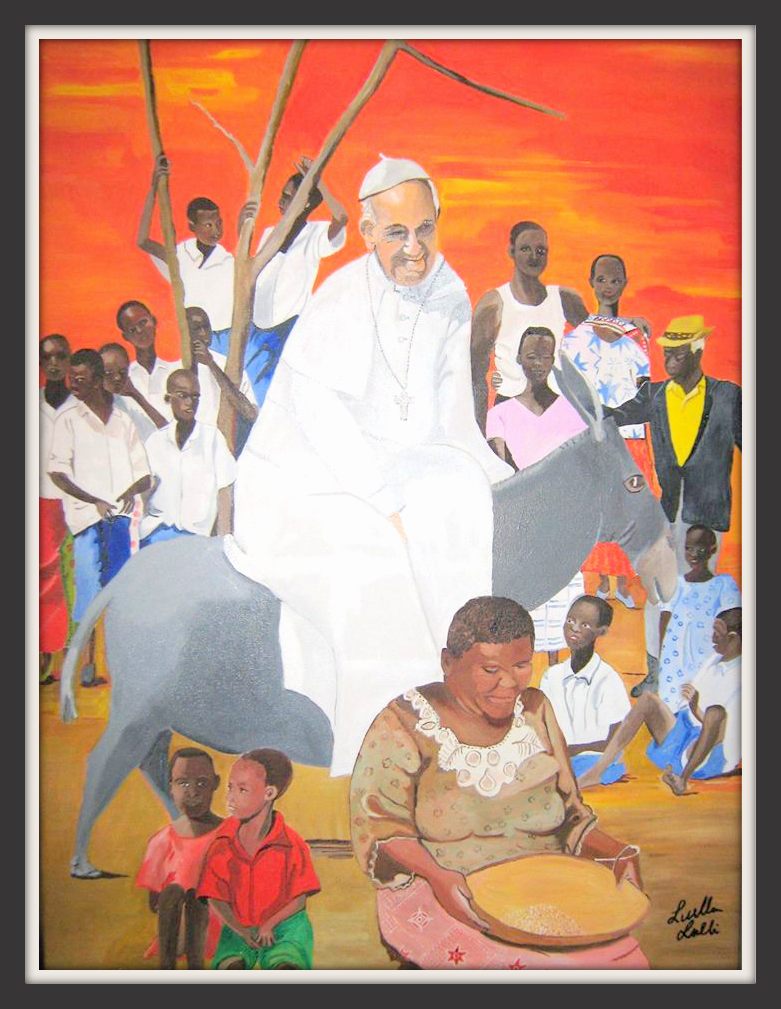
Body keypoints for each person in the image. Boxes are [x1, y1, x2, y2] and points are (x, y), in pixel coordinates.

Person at [223, 156, 513, 776]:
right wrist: (386, 503)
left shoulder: (450, 292)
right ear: (367, 232)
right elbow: (320, 419)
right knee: (379, 558)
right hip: (297, 483)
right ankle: (378, 755)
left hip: (388, 469)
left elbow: (452, 421)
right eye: (397, 233)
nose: (415, 248)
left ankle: (458, 723)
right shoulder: (342, 297)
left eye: (425, 229)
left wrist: (501, 483)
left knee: (464, 496)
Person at [349, 596, 648, 970]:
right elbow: (380, 827)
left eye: (521, 665)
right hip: (439, 891)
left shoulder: (536, 710)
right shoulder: (404, 722)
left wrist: (617, 852)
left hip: (546, 893)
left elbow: (572, 816)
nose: (508, 683)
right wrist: (439, 877)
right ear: (448, 662)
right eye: (489, 669)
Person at [604, 315, 742, 696]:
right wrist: (586, 405)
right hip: (667, 513)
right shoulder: (655, 395)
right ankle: (655, 671)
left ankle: (697, 677)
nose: (669, 359)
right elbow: (616, 415)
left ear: (698, 350)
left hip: (708, 518)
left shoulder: (728, 397)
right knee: (658, 593)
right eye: (666, 352)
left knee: (697, 597)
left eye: (678, 352)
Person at [48, 348, 151, 686]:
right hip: (86, 523)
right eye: (71, 378)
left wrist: (129, 492)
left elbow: (145, 475)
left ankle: (116, 666)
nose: (73, 384)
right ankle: (85, 667)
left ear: (96, 380)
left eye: (80, 379)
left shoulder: (122, 421)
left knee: (119, 594)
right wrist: (93, 501)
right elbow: (57, 473)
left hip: (119, 521)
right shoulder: (67, 420)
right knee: (89, 596)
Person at [485, 326, 587, 665]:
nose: (539, 363)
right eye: (531, 356)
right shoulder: (500, 414)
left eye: (545, 356)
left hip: (560, 522)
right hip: (519, 522)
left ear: (553, 359)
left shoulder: (572, 413)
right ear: (519, 359)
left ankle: (555, 675)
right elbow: (501, 468)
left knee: (559, 606)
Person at [218, 155, 349, 409]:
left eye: (288, 198)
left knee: (281, 397)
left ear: (305, 202)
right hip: (254, 327)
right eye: (282, 195)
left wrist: (317, 181)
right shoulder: (270, 233)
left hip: (285, 331)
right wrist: (240, 229)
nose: (280, 202)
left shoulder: (315, 234)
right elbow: (251, 275)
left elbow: (341, 217)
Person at [560, 254, 653, 608]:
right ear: (591, 282)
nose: (608, 287)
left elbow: (644, 391)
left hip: (629, 437)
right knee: (595, 509)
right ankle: (597, 579)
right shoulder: (576, 338)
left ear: (625, 283)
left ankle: (626, 582)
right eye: (602, 279)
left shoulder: (635, 336)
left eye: (615, 280)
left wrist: (617, 416)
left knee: (629, 508)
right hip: (592, 439)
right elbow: (570, 392)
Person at [578, 609, 741, 795]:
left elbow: (724, 731)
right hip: (687, 733)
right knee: (648, 699)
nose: (712, 638)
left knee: (715, 712)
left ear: (733, 638)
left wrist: (695, 708)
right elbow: (689, 700)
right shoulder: (715, 659)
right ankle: (597, 771)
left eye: (717, 634)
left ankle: (682, 780)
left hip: (712, 753)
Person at [197, 749, 321, 970]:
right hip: (238, 927)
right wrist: (240, 930)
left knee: (288, 967)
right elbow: (214, 897)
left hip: (285, 927)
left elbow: (300, 899)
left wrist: (269, 925)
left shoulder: (292, 844)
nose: (230, 797)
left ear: (269, 793)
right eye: (230, 787)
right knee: (230, 967)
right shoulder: (222, 842)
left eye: (242, 789)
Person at [470, 219, 589, 432]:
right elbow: (475, 374)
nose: (534, 257)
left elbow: (598, 339)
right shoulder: (494, 304)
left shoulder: (564, 299)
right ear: (512, 251)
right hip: (510, 413)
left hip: (556, 411)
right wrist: (481, 432)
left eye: (540, 251)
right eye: (525, 249)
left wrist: (630, 324)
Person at [136, 748, 223, 969]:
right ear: (170, 787)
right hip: (178, 935)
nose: (192, 792)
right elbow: (156, 905)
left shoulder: (232, 835)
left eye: (202, 783)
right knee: (174, 893)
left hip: (225, 934)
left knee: (196, 899)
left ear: (216, 784)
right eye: (183, 783)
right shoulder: (161, 842)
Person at [137, 156, 235, 340]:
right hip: (193, 336)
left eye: (218, 223)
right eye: (208, 225)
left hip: (225, 335)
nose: (216, 231)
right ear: (192, 226)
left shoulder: (228, 261)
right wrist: (154, 187)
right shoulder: (180, 255)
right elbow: (142, 241)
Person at [539, 596, 631, 787]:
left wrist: (571, 750)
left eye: (585, 625)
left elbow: (615, 740)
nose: (574, 628)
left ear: (601, 631)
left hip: (596, 760)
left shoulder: (607, 679)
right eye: (570, 620)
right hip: (559, 759)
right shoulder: (551, 676)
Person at [140, 369, 237, 548]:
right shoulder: (155, 442)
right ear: (168, 398)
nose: (189, 402)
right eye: (182, 395)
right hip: (156, 533)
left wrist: (223, 541)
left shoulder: (212, 439)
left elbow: (225, 492)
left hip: (196, 537)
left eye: (195, 397)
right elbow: (144, 493)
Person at [656, 525, 741, 710]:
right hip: (675, 655)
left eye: (700, 549)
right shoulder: (676, 583)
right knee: (671, 702)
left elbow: (734, 620)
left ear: (712, 550)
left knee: (701, 698)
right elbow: (665, 619)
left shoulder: (723, 584)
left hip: (706, 652)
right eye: (689, 548)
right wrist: (662, 654)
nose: (693, 554)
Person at [39, 334, 75, 685]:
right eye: (46, 358)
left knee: (72, 578)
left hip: (75, 502)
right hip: (41, 501)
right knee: (45, 578)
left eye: (60, 356)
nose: (53, 363)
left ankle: (70, 654)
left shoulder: (80, 405)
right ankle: (46, 653)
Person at [186, 306, 258, 428]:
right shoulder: (172, 367)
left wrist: (211, 364)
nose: (203, 333)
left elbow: (251, 414)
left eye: (206, 327)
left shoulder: (227, 364)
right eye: (196, 328)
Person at [116, 300, 182, 421]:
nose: (140, 331)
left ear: (154, 321)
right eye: (132, 329)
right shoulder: (124, 378)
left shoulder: (177, 371)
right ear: (126, 337)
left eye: (143, 322)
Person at [99, 342, 168, 442]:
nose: (117, 377)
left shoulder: (132, 403)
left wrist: (136, 395)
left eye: (123, 372)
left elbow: (166, 432)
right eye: (109, 373)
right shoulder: (91, 405)